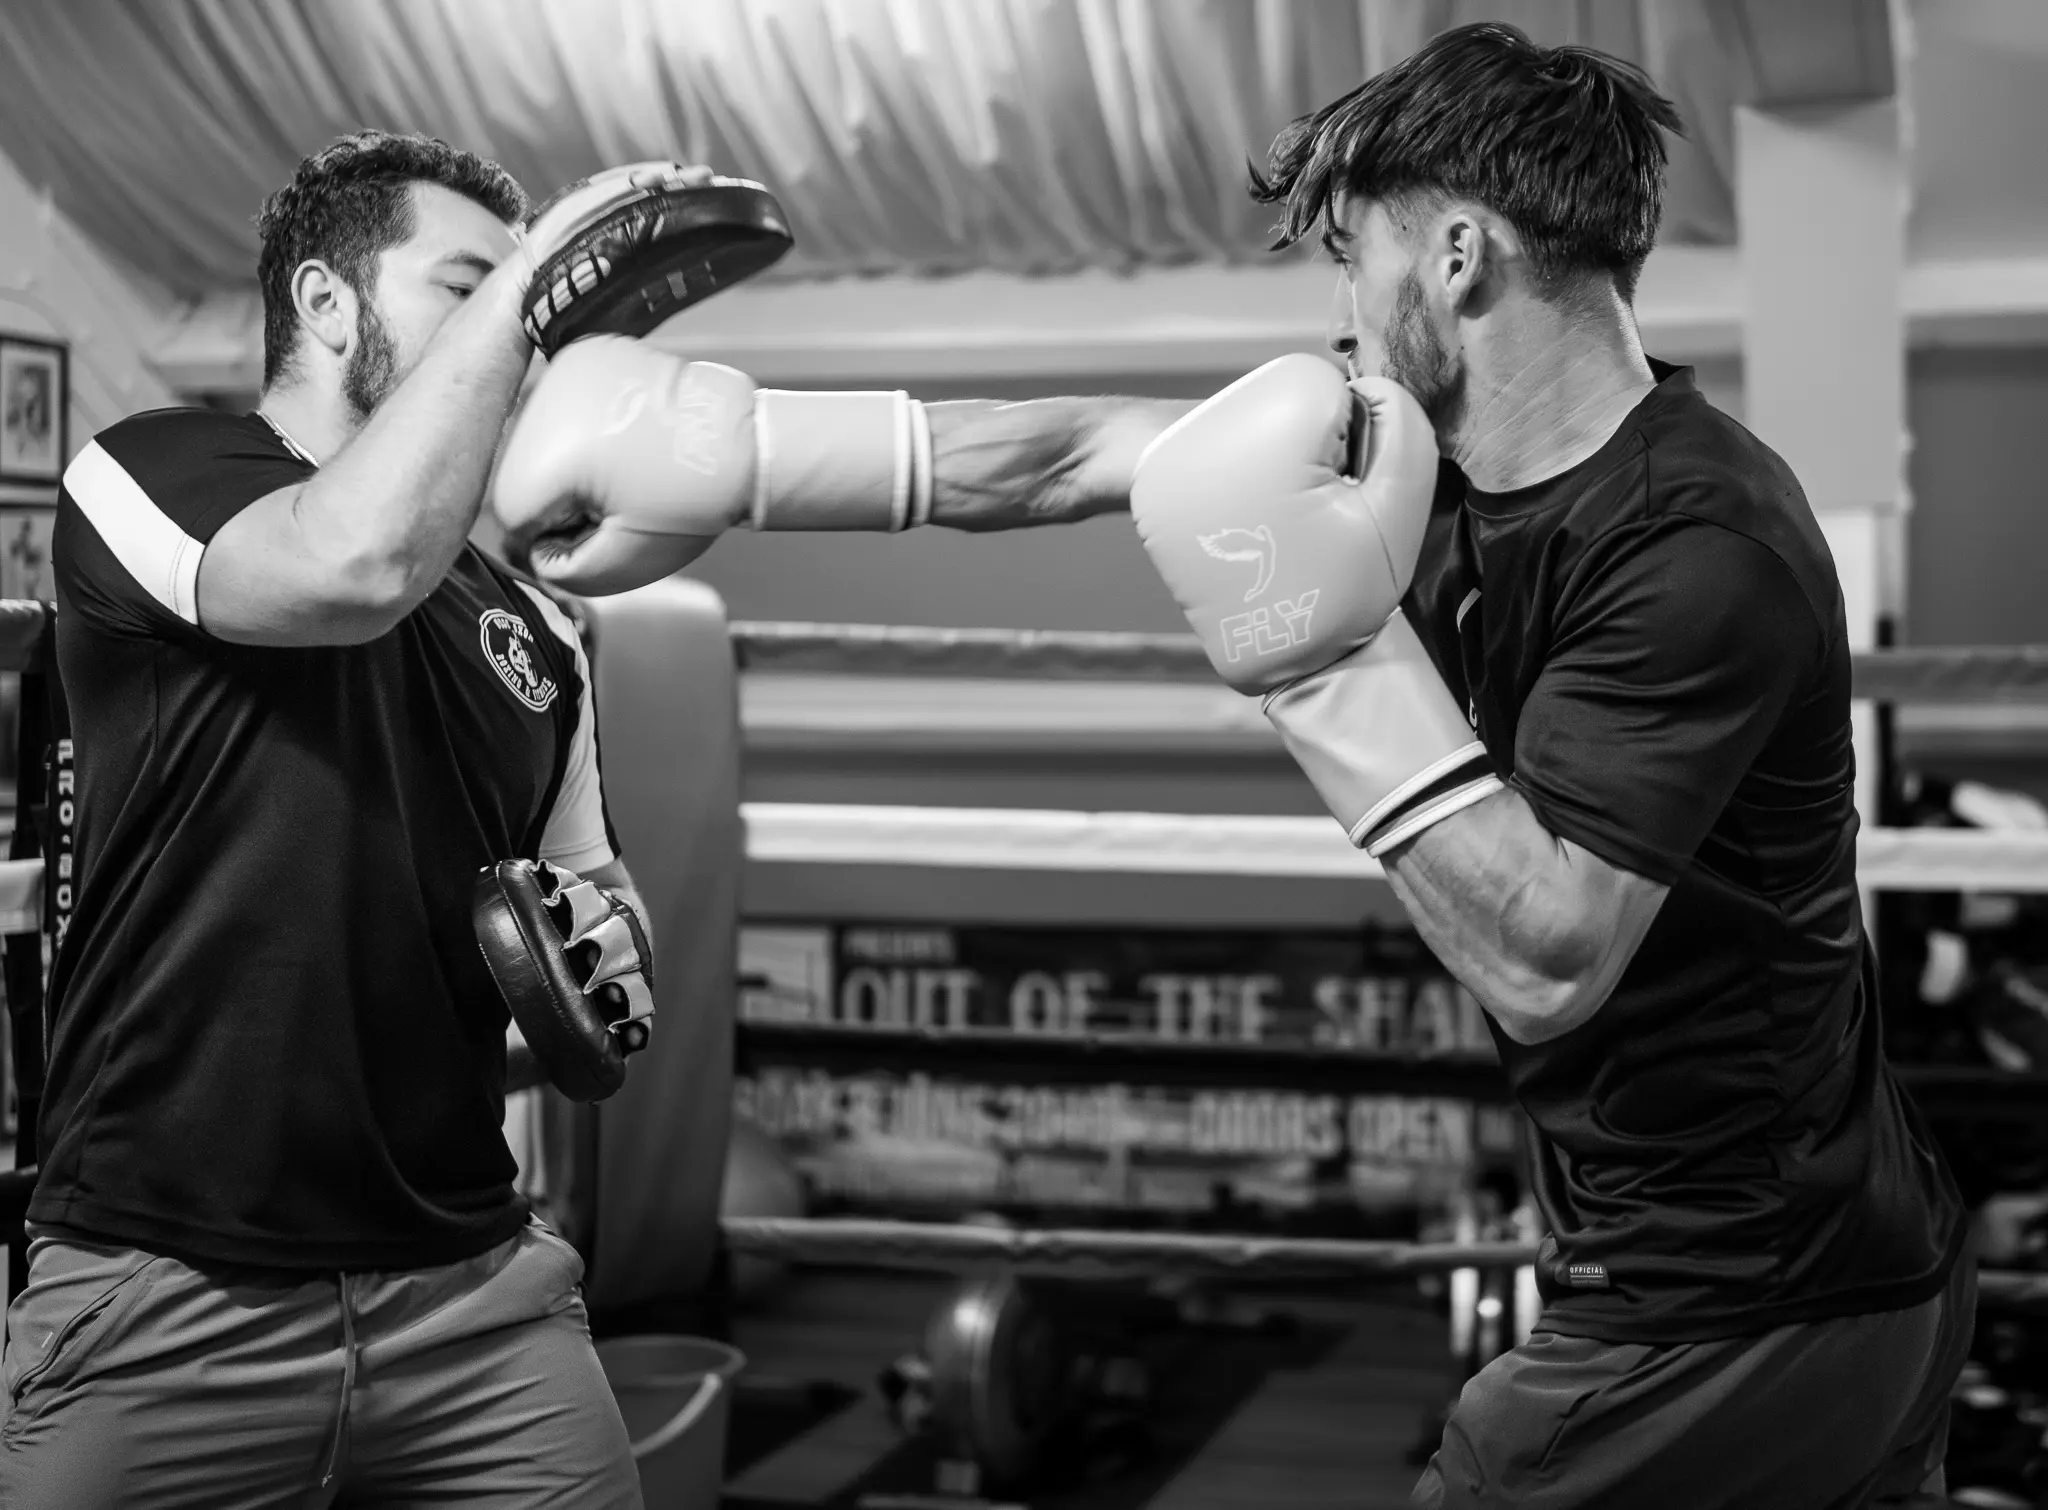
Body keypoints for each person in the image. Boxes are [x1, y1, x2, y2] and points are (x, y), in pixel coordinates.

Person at [495, 22, 1971, 1508]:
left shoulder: (1694, 539)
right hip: (1800, 1260)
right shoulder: (1421, 472)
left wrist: (1317, 657)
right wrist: (746, 453)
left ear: (1458, 256)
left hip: (1741, 1296)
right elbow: (1084, 449)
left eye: (1351, 255)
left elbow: (1549, 954)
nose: (1341, 308)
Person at [1, 131, 677, 1507]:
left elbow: (592, 898)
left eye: (520, 302)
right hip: (164, 1292)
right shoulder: (151, 473)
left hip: (474, 1301)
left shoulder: (536, 635)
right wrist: (537, 280)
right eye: (468, 288)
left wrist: (605, 958)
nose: (516, 336)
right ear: (325, 302)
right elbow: (351, 562)